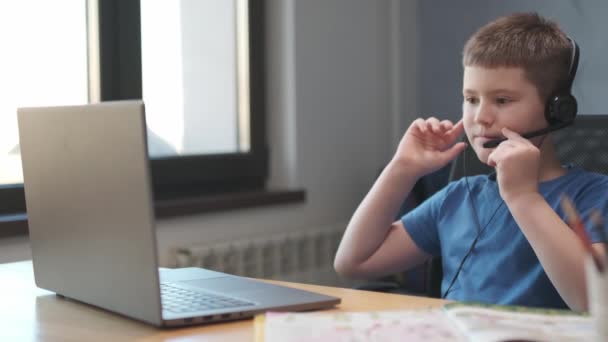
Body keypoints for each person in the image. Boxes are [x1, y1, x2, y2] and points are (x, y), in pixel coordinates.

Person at [333, 12, 608, 311]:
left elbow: (596, 302)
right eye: (471, 99)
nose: (480, 117)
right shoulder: (459, 197)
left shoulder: (594, 196)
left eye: (502, 100)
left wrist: (524, 198)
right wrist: (402, 169)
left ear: (558, 110)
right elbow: (353, 262)